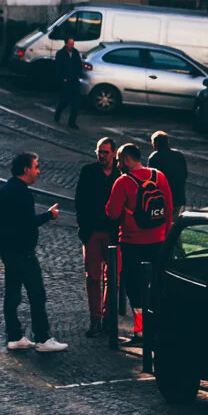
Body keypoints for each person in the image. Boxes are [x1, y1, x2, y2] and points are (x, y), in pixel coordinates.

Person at [0, 151, 67, 353]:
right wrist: (49, 215)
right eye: (36, 167)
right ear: (26, 169)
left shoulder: (7, 188)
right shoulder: (23, 193)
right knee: (37, 295)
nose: (38, 171)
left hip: (9, 251)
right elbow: (28, 223)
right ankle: (43, 338)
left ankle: (14, 336)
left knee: (12, 295)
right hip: (23, 253)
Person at [105, 141, 173, 339]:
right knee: (155, 283)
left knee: (134, 285)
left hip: (132, 242)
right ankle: (155, 325)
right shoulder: (159, 176)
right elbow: (168, 208)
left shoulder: (123, 182)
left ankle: (141, 328)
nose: (117, 165)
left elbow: (112, 213)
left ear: (126, 159)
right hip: (158, 240)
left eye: (119, 160)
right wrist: (165, 234)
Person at [75, 136, 118, 336]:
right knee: (93, 277)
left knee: (113, 278)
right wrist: (84, 229)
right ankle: (96, 318)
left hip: (113, 234)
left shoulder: (120, 174)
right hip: (92, 232)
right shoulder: (89, 172)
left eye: (105, 152)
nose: (101, 155)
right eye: (99, 152)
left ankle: (108, 317)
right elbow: (79, 201)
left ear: (114, 154)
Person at [149, 130, 188, 211]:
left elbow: (151, 179)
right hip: (178, 198)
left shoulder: (155, 157)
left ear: (155, 143)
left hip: (162, 199)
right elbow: (185, 175)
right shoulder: (178, 155)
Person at [52, 36, 86, 128]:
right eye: (70, 44)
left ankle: (72, 122)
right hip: (66, 81)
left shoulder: (75, 52)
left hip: (74, 80)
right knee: (64, 101)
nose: (72, 46)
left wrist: (78, 75)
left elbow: (79, 65)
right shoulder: (61, 53)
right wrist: (63, 78)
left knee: (75, 103)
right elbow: (58, 67)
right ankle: (57, 114)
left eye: (73, 44)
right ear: (66, 44)